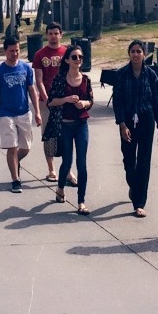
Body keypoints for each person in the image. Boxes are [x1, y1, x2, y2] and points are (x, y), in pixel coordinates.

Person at [112, 40, 158, 217]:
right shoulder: (121, 74)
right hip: (127, 120)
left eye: (139, 51)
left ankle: (139, 202)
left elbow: (157, 101)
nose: (135, 54)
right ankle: (134, 186)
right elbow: (118, 102)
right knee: (128, 160)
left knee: (143, 161)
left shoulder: (151, 75)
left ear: (144, 54)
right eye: (133, 51)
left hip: (146, 119)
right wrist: (121, 124)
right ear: (129, 54)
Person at [0, 38, 41, 193]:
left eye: (17, 50)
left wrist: (37, 112)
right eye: (11, 51)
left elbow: (32, 90)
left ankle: (15, 161)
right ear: (5, 51)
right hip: (6, 113)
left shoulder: (26, 68)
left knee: (25, 148)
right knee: (12, 147)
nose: (14, 53)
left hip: (24, 112)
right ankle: (15, 180)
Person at [48, 44, 93, 215]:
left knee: (82, 164)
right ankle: (60, 188)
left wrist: (85, 103)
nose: (78, 60)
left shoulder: (86, 80)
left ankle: (81, 201)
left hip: (82, 125)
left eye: (80, 57)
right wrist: (66, 99)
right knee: (67, 161)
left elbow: (90, 100)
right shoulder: (60, 79)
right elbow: (51, 102)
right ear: (67, 60)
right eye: (74, 57)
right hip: (65, 125)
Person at [31, 22, 74, 184]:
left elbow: (74, 75)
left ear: (61, 34)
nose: (53, 36)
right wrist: (47, 98)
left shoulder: (67, 53)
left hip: (66, 101)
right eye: (50, 33)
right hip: (47, 102)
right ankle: (51, 169)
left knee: (67, 136)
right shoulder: (40, 55)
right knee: (48, 135)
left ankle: (68, 171)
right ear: (46, 35)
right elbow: (39, 80)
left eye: (56, 33)